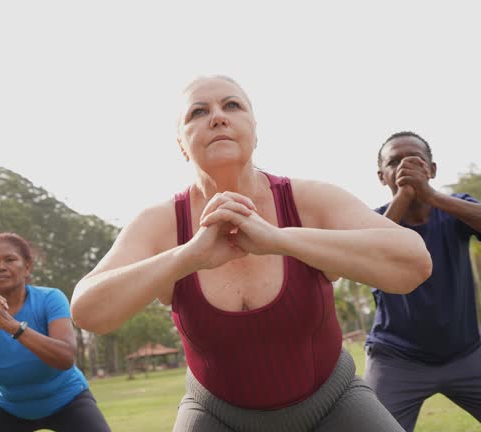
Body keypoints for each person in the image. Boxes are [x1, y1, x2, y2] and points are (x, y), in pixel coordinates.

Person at [70, 76, 433, 431]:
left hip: (334, 403)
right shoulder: (160, 224)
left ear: (255, 131)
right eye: (198, 112)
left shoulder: (309, 200)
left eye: (232, 105)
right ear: (181, 143)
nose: (217, 116)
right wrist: (189, 256)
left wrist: (280, 240)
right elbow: (88, 311)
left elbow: (414, 264)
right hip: (215, 415)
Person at [364, 131, 481, 431]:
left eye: (414, 161)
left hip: (465, 354)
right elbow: (367, 250)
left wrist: (430, 196)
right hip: (396, 360)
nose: (405, 168)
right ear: (381, 176)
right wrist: (405, 195)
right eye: (395, 162)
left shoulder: (456, 210)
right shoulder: (374, 221)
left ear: (432, 170)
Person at [0, 232, 110, 432]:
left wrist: (12, 326)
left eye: (10, 259)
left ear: (27, 267)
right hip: (9, 407)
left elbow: (66, 357)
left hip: (67, 399)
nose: (1, 266)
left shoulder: (50, 299)